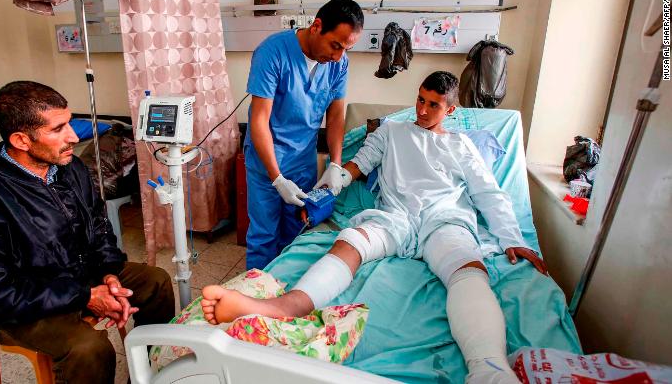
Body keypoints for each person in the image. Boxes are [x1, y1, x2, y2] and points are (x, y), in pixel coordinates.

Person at [202, 71, 548, 384]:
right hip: (395, 216)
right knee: (349, 241)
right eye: (420, 100)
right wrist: (329, 186)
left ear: (452, 110)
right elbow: (358, 164)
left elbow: (489, 193)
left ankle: (489, 368)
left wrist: (513, 240)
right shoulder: (392, 131)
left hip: (444, 220)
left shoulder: (461, 145)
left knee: (469, 269)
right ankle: (286, 307)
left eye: (434, 105)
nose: (423, 110)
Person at [0, 81, 175, 384]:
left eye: (69, 123)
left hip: (78, 275)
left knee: (156, 282)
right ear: (21, 139)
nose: (73, 136)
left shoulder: (69, 168)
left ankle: (147, 375)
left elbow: (98, 226)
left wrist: (109, 272)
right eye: (58, 129)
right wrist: (84, 296)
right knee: (89, 348)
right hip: (20, 304)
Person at [244, 0, 364, 270]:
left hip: (302, 162)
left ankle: (287, 296)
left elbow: (335, 116)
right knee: (264, 236)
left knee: (296, 234)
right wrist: (276, 178)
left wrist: (335, 163)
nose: (337, 56)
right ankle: (257, 299)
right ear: (317, 26)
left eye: (346, 49)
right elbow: (259, 120)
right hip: (267, 162)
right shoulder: (272, 52)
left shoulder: (338, 63)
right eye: (335, 45)